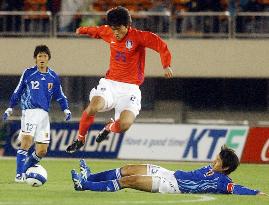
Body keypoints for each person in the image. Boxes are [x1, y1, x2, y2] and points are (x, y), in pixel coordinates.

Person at [66, 6, 173, 153]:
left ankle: (109, 127)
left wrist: (166, 65)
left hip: (131, 89)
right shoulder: (109, 32)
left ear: (127, 25)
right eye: (113, 28)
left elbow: (161, 45)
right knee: (94, 106)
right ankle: (80, 138)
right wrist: (81, 30)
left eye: (118, 29)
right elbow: (96, 31)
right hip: (110, 84)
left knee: (124, 125)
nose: (115, 32)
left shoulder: (139, 37)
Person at [71, 145, 267, 195]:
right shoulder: (213, 168)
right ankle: (90, 176)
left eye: (217, 161)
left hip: (172, 186)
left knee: (130, 181)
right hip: (170, 173)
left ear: (225, 167)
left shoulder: (223, 182)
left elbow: (236, 189)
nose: (213, 161)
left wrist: (256, 192)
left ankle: (85, 185)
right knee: (128, 169)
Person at [2, 45, 71, 182]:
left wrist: (66, 109)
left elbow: (60, 95)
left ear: (48, 59)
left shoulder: (53, 76)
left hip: (44, 115)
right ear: (35, 59)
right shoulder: (28, 73)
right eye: (39, 56)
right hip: (29, 112)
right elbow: (18, 90)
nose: (42, 59)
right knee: (26, 142)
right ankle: (19, 175)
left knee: (42, 151)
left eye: (45, 56)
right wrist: (10, 108)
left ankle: (26, 168)